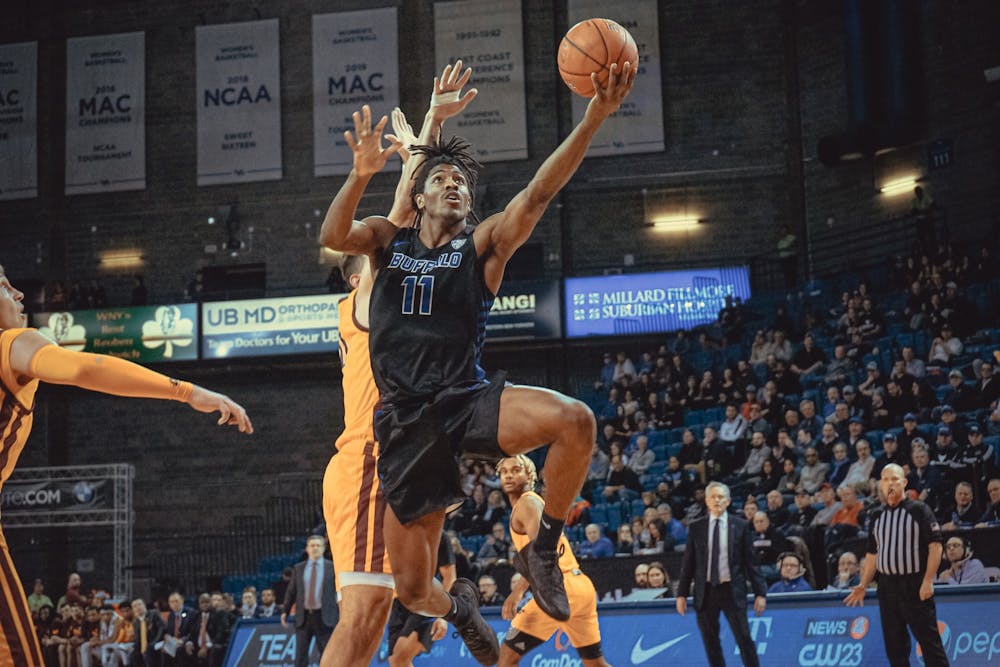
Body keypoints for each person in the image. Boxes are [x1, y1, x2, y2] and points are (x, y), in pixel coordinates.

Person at [319, 61, 634, 664]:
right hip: (405, 427)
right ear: (419, 195)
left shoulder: (482, 244)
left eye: (462, 179)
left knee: (576, 421)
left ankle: (545, 545)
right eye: (441, 177)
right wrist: (361, 174)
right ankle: (459, 609)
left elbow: (539, 190)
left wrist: (594, 116)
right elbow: (337, 232)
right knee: (411, 588)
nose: (455, 184)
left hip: (464, 400)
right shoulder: (388, 243)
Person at [0, 266, 253, 667]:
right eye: (3, 286)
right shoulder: (10, 343)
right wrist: (187, 391)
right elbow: (87, 368)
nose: (18, 294)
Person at [320, 61, 478, 667]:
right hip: (366, 459)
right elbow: (401, 213)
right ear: (360, 273)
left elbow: (412, 213)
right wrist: (428, 129)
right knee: (360, 618)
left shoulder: (390, 292)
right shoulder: (364, 287)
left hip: (398, 455)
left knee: (376, 615)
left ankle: (453, 607)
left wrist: (432, 126)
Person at [496, 455, 609, 667]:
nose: (509, 475)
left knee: (506, 659)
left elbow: (542, 551)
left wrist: (518, 590)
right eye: (504, 472)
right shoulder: (532, 503)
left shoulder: (527, 502)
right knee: (596, 664)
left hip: (560, 586)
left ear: (530, 476)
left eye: (516, 469)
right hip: (580, 586)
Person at [844, 464, 949, 666]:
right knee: (895, 647)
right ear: (880, 484)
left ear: (904, 482)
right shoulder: (876, 515)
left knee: (930, 645)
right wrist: (863, 584)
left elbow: (936, 546)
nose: (890, 483)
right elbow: (872, 554)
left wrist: (928, 580)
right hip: (887, 587)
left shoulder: (919, 510)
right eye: (885, 479)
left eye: (894, 479)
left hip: (914, 584)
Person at [676, 482, 767, 667]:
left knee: (743, 638)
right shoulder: (696, 527)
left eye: (721, 497)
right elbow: (688, 563)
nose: (717, 500)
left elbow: (751, 563)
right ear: (707, 501)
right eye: (713, 497)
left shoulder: (740, 526)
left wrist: (761, 593)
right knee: (710, 641)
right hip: (706, 591)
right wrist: (681, 594)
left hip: (732, 590)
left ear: (728, 501)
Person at [387, 533, 455, 667]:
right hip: (399, 603)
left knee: (400, 656)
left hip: (427, 602)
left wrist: (443, 616)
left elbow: (450, 577)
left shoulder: (440, 536)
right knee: (397, 661)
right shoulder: (393, 531)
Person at [281, 535, 338, 667]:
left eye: (318, 545)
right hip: (304, 617)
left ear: (323, 549)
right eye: (312, 545)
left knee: (326, 655)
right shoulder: (299, 568)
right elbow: (291, 591)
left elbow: (340, 591)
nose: (315, 548)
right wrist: (285, 611)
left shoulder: (332, 568)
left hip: (325, 617)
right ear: (307, 549)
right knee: (300, 656)